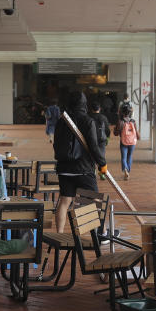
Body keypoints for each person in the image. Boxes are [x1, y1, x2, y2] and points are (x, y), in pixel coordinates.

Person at [53, 92, 106, 232]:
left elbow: (56, 144)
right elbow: (93, 146)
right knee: (95, 201)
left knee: (65, 201)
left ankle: (59, 233)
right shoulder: (88, 121)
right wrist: (102, 163)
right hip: (83, 169)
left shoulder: (61, 121)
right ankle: (100, 235)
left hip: (64, 168)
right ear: (84, 104)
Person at [115, 103, 140, 181]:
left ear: (122, 112)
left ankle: (125, 170)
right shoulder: (133, 121)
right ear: (130, 112)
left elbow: (116, 133)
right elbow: (136, 131)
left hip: (124, 141)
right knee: (130, 156)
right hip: (132, 142)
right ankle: (128, 171)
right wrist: (138, 137)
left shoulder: (121, 121)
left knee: (124, 157)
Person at [90, 101, 111, 179]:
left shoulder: (89, 117)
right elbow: (107, 130)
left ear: (91, 109)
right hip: (102, 140)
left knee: (91, 156)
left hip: (91, 139)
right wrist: (107, 138)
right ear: (100, 109)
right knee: (101, 156)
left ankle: (93, 171)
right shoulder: (103, 117)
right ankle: (102, 172)